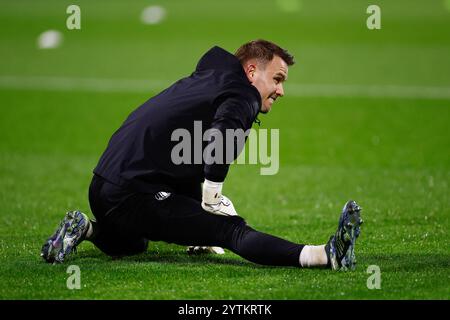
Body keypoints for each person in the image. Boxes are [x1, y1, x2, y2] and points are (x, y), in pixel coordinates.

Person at [41, 40, 363, 270]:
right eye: (277, 79)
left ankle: (87, 229)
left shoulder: (211, 79)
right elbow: (221, 139)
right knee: (231, 230)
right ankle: (323, 255)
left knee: (134, 244)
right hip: (131, 195)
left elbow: (186, 156)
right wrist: (212, 198)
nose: (281, 91)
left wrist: (198, 211)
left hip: (103, 187)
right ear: (252, 71)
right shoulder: (243, 94)